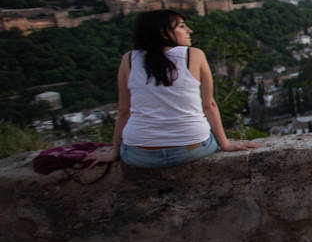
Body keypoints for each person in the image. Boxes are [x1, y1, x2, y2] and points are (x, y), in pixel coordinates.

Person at [92, 9, 259, 168]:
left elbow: (123, 110)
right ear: (164, 33)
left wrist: (114, 152)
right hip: (192, 149)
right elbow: (209, 105)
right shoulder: (194, 55)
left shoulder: (128, 59)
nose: (189, 30)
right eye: (181, 26)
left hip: (140, 155)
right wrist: (225, 144)